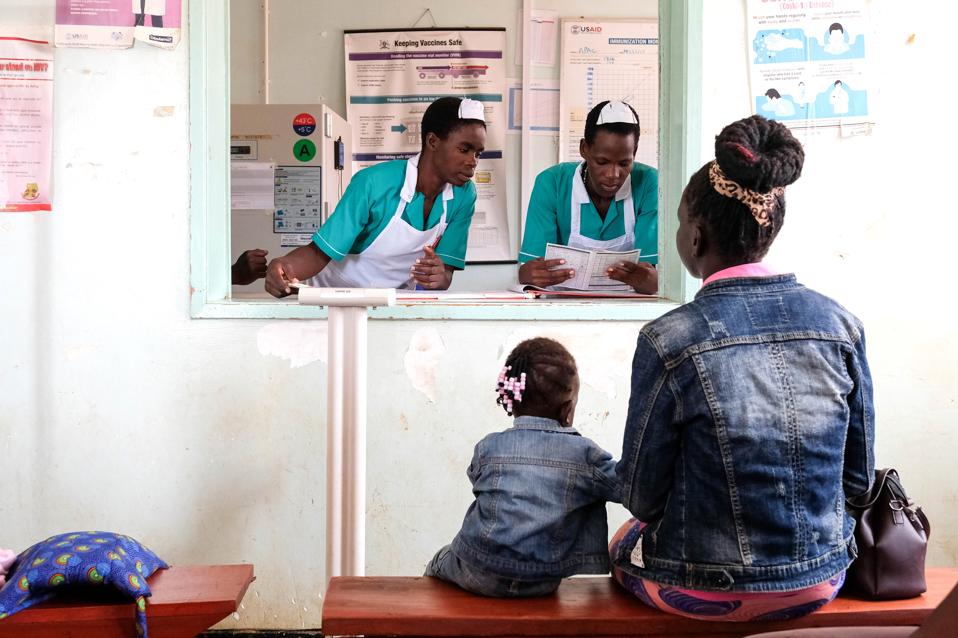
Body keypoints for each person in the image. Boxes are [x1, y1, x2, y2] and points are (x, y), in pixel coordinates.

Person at [610, 114, 875, 621]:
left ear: (695, 239)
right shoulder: (842, 325)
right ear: (770, 229)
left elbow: (642, 498)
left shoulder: (669, 339)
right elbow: (858, 483)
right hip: (820, 578)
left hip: (708, 588)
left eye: (681, 223)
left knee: (625, 540)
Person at [426, 337, 620, 597]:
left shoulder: (488, 447)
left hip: (477, 570)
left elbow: (476, 478)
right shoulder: (585, 455)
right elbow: (624, 486)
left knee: (439, 561)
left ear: (512, 400)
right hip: (541, 581)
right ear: (567, 410)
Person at [264, 97, 486, 296]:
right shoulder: (374, 183)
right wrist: (284, 267)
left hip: (393, 303)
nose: (473, 161)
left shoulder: (464, 195)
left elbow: (445, 274)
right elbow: (320, 253)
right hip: (336, 297)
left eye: (478, 153)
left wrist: (438, 276)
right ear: (433, 142)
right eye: (464, 149)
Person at [518, 100, 658, 293]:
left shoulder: (650, 183)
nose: (613, 174)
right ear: (584, 149)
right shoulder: (552, 183)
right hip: (561, 308)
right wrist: (526, 274)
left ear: (634, 155)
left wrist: (653, 280)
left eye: (624, 163)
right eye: (602, 161)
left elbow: (652, 272)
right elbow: (530, 270)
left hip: (630, 308)